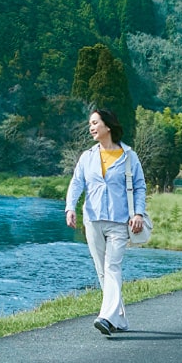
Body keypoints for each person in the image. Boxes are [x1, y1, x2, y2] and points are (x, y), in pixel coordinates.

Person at [65, 109, 148, 336]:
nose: (91, 127)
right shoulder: (87, 156)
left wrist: (138, 213)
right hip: (92, 220)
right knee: (102, 271)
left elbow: (140, 186)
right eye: (90, 124)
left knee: (112, 267)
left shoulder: (128, 156)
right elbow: (76, 183)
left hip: (120, 222)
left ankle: (105, 317)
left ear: (108, 126)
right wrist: (70, 207)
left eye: (95, 123)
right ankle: (118, 319)